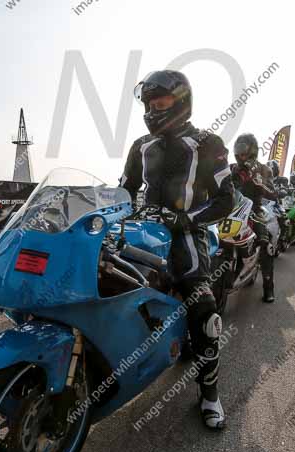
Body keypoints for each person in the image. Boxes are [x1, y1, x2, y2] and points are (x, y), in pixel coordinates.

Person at [121, 70, 234, 429]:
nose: (154, 110)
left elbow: (225, 198)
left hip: (188, 236)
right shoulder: (140, 145)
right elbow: (123, 192)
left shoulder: (207, 142)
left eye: (162, 103)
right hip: (142, 235)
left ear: (182, 103)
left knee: (204, 314)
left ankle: (211, 395)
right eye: (150, 104)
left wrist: (187, 220)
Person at [231, 133, 278, 303]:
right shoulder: (231, 169)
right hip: (230, 210)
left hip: (254, 210)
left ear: (252, 153)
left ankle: (268, 287)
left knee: (266, 243)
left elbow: (274, 195)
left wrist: (261, 185)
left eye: (244, 154)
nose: (241, 157)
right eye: (239, 154)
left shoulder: (264, 170)